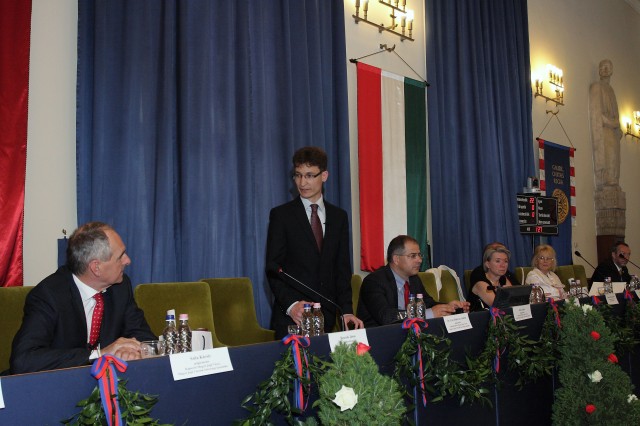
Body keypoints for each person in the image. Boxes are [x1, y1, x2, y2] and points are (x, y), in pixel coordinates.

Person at [10, 222, 155, 374]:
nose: (128, 260)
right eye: (120, 257)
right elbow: (23, 359)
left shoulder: (120, 287)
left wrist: (134, 350)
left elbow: (144, 336)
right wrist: (99, 354)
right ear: (96, 267)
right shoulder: (48, 295)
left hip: (109, 382)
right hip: (58, 382)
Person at [266, 146, 363, 339]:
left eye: (309, 175)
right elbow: (273, 269)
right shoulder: (281, 215)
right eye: (298, 175)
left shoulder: (339, 217)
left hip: (326, 318)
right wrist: (292, 306)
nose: (302, 182)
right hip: (292, 320)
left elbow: (342, 269)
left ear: (324, 175)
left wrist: (346, 310)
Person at [357, 235, 469, 328]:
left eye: (419, 255)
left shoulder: (414, 279)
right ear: (396, 259)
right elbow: (386, 317)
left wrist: (448, 307)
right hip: (377, 339)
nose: (419, 260)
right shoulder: (374, 281)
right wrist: (427, 314)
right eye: (413, 256)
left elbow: (428, 303)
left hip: (408, 337)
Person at [589, 59, 623, 189]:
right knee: (609, 156)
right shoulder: (596, 87)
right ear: (599, 71)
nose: (605, 69)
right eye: (602, 67)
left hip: (613, 131)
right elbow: (596, 113)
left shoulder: (611, 90)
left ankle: (613, 181)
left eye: (608, 67)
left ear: (612, 70)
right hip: (605, 131)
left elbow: (615, 113)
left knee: (615, 161)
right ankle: (607, 181)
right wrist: (612, 123)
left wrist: (617, 126)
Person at [469, 245, 520, 311]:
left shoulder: (503, 279)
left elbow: (516, 301)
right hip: (479, 317)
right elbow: (498, 306)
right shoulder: (480, 282)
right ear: (487, 264)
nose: (503, 265)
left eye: (506, 261)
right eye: (498, 261)